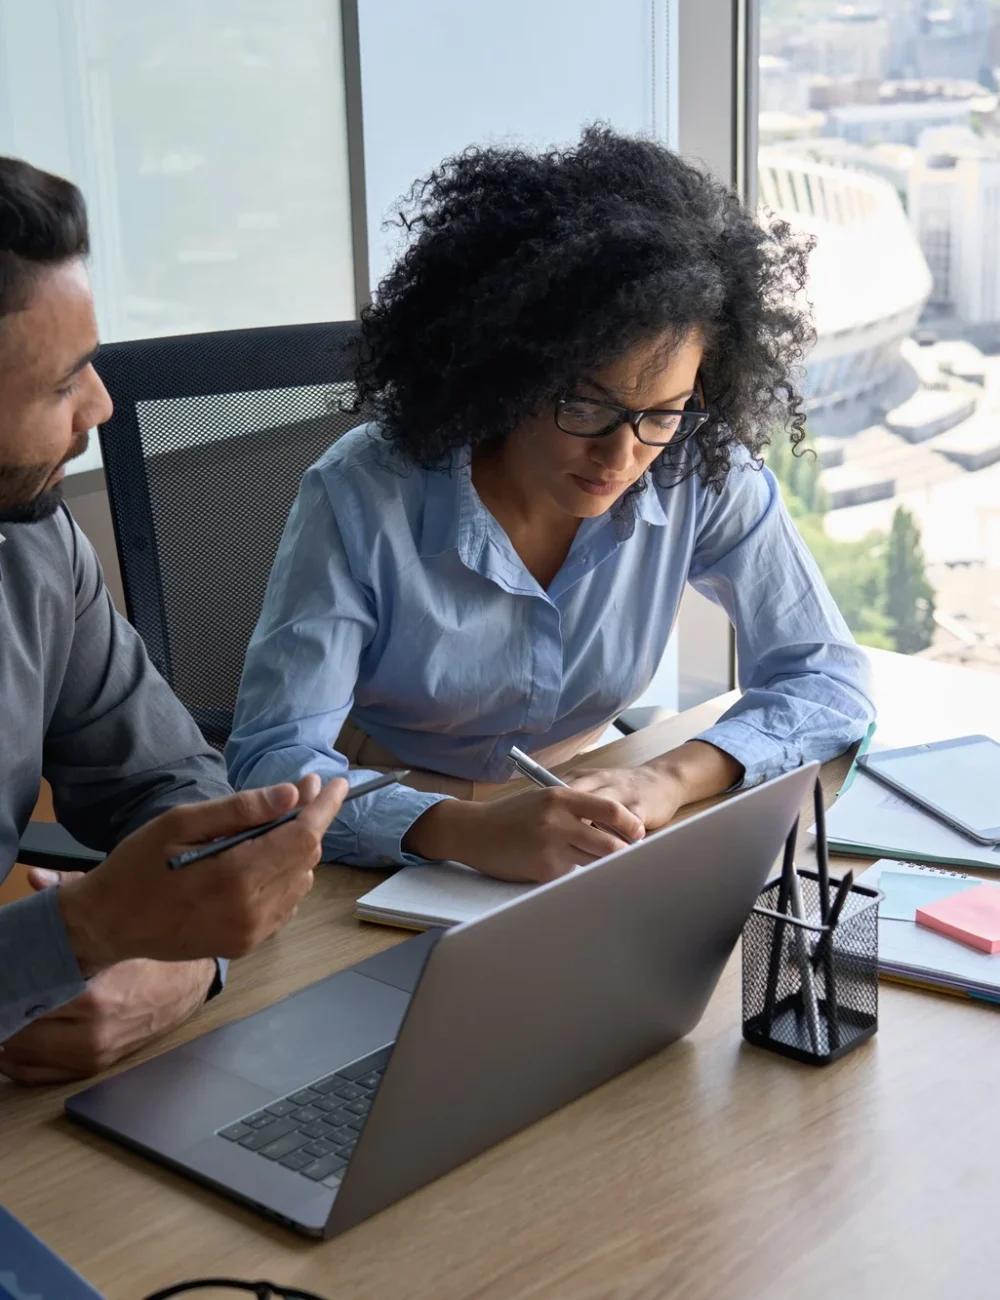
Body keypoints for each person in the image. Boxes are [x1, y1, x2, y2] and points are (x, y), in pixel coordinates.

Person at [226, 127, 874, 883]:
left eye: (663, 414)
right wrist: (468, 831)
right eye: (588, 407)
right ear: (510, 373)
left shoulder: (696, 465)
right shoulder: (363, 494)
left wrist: (664, 778)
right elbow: (273, 765)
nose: (621, 455)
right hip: (387, 827)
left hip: (593, 797)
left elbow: (827, 680)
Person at [0, 156, 347, 1083]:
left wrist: (187, 960)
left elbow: (173, 779)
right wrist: (80, 933)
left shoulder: (34, 545)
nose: (101, 407)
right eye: (62, 383)